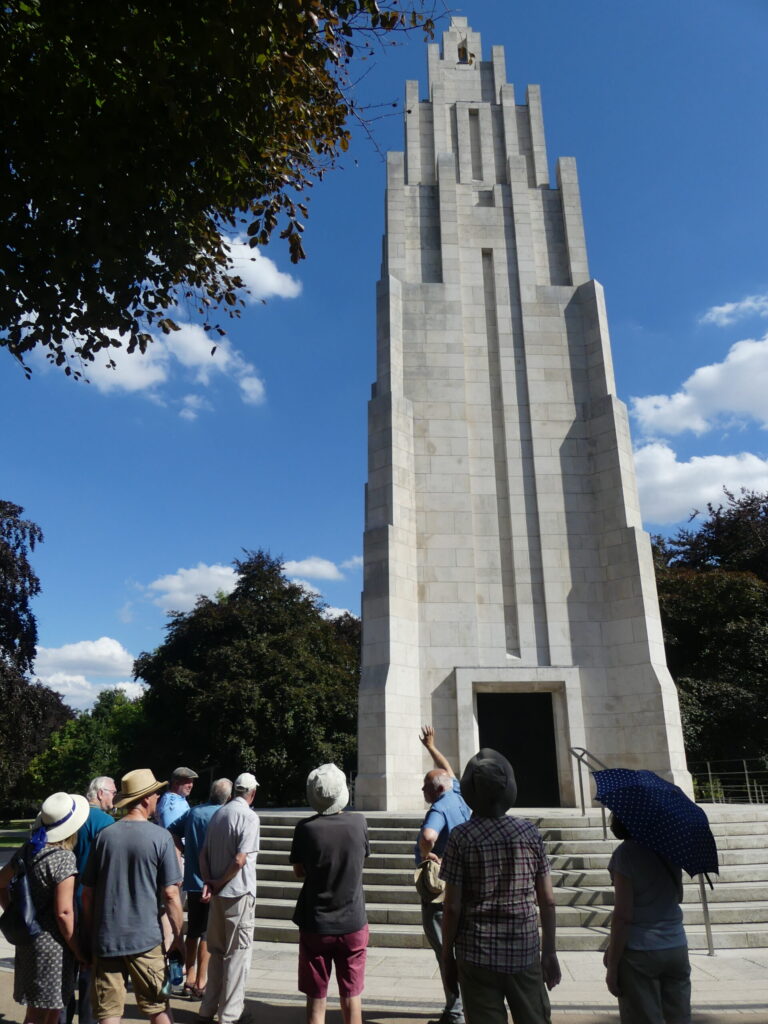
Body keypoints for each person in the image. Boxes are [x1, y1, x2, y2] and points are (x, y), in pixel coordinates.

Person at [440, 748, 561, 1024]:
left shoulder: (461, 837)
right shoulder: (529, 833)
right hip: (523, 947)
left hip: (475, 950)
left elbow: (452, 907)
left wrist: (447, 957)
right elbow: (548, 900)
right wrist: (550, 951)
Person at [81, 769, 184, 1024]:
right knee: (158, 1008)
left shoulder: (104, 837)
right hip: (145, 940)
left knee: (108, 1013)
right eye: (155, 793)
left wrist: (92, 932)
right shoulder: (160, 837)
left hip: (107, 939)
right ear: (146, 798)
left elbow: (87, 894)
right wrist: (178, 936)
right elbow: (171, 894)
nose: (159, 797)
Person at [0, 791, 90, 1024]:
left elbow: (0, 882)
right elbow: (64, 912)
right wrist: (78, 950)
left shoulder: (28, 850)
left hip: (28, 938)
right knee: (51, 1011)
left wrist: (14, 911)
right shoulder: (63, 858)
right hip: (54, 945)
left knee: (33, 1010)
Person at [290, 764, 369, 1024]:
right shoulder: (359, 822)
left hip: (316, 921)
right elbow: (361, 860)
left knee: (316, 997)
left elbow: (299, 871)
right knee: (351, 994)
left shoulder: (306, 828)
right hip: (352, 919)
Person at [604, 814, 691, 1024]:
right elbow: (678, 896)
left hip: (639, 950)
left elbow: (623, 915)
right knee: (679, 1018)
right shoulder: (670, 849)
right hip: (676, 945)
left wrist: (613, 964)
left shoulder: (625, 854)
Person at [415, 725, 470, 1024]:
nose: (422, 792)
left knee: (445, 953)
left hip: (440, 895)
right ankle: (462, 1008)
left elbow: (428, 835)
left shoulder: (438, 806)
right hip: (463, 887)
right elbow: (447, 770)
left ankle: (456, 1013)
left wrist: (427, 854)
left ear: (435, 790)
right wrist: (431, 746)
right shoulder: (458, 793)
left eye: (425, 787)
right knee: (457, 950)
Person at [197, 772, 260, 1024]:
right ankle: (230, 1015)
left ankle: (207, 1009)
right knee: (237, 955)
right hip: (238, 893)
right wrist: (220, 881)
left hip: (219, 895)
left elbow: (203, 854)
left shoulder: (219, 814)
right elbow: (240, 859)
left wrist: (209, 883)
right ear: (252, 793)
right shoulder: (249, 817)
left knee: (217, 953)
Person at [169, 778, 233, 1000]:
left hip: (194, 880)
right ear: (228, 797)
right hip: (215, 881)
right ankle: (201, 981)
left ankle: (189, 976)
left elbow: (173, 831)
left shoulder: (194, 812)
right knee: (207, 932)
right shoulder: (225, 814)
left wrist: (184, 850)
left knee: (194, 930)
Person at [65, 777, 116, 1024]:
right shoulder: (106, 823)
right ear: (100, 793)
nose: (114, 798)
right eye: (112, 793)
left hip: (65, 897)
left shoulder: (71, 819)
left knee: (67, 966)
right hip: (92, 900)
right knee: (89, 967)